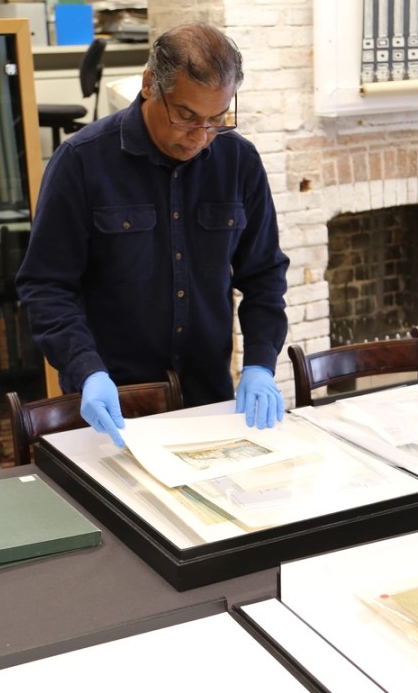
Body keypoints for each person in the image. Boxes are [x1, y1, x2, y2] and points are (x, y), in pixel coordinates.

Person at [16, 23, 290, 447]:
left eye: (217, 120)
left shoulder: (239, 161)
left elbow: (264, 275)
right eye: (186, 116)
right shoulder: (81, 162)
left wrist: (259, 362)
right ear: (149, 85)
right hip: (114, 403)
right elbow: (46, 285)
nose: (200, 137)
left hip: (209, 400)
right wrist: (87, 371)